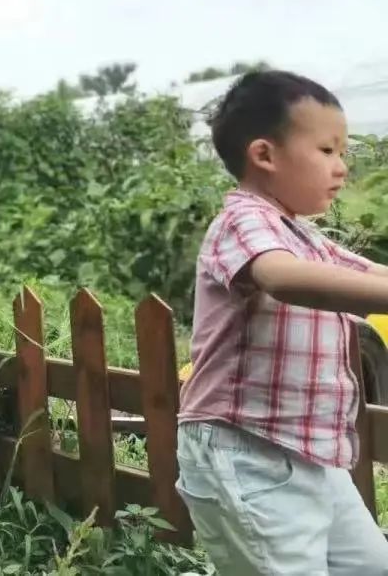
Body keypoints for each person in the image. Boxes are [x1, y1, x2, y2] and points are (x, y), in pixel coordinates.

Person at [176, 71, 388, 575]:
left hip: (311, 457)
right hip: (247, 452)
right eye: (327, 151)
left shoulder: (305, 237)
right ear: (265, 155)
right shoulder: (243, 219)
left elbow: (372, 274)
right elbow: (282, 277)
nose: (342, 169)